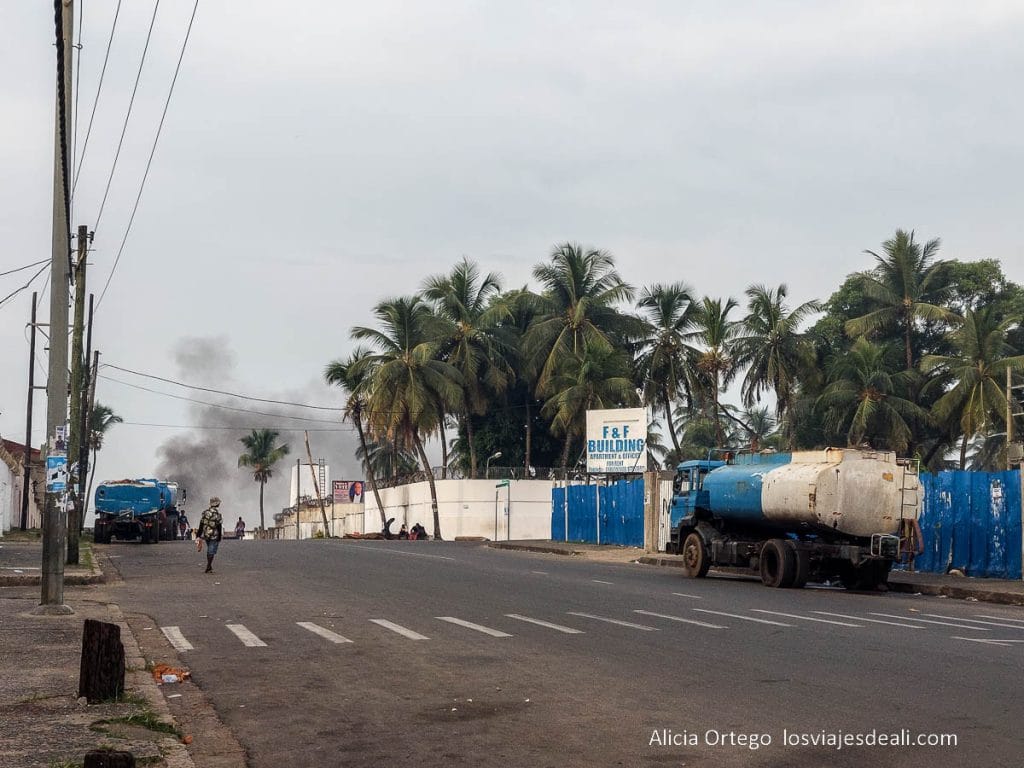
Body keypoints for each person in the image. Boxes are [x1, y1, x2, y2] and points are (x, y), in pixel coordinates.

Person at [196, 497, 223, 573]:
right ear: (217, 504)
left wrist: (199, 534)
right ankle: (208, 566)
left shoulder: (205, 512)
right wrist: (219, 536)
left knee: (209, 550)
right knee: (211, 551)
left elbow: (201, 523)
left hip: (206, 534)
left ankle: (209, 566)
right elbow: (219, 526)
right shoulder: (217, 514)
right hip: (214, 535)